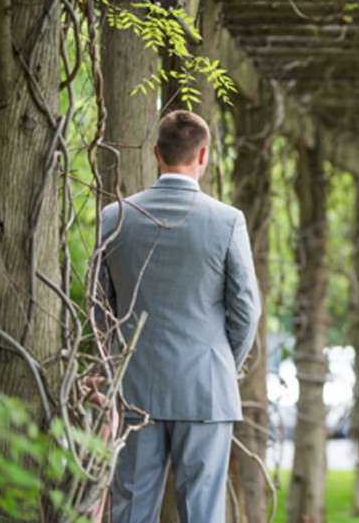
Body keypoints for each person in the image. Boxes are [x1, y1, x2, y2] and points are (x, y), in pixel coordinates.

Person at [100, 110, 260, 522]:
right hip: (206, 389)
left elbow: (101, 308)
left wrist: (116, 363)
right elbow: (246, 309)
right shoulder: (227, 221)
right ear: (203, 155)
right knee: (203, 514)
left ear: (156, 153)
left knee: (131, 511)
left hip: (134, 389)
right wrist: (223, 364)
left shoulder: (115, 217)